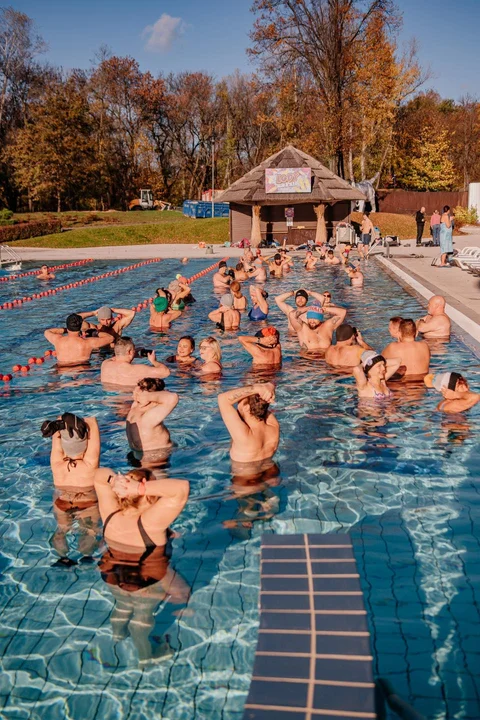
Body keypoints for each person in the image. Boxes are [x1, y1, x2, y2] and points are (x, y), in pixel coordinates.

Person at [94, 467, 190, 664]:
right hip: (144, 581)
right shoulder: (150, 522)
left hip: (111, 574)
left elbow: (97, 476)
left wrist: (114, 481)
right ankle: (146, 656)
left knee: (122, 606)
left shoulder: (110, 514)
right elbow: (182, 488)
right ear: (145, 495)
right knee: (141, 618)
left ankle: (118, 635)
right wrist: (140, 488)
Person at [41, 413, 101, 566]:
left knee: (61, 530)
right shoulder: (89, 464)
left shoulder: (57, 463)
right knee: (90, 531)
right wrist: (84, 423)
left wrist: (60, 424)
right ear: (85, 444)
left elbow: (56, 438)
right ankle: (87, 556)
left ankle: (63, 558)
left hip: (62, 502)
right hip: (87, 503)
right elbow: (93, 422)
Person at [218, 383, 279, 464]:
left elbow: (222, 399)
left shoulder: (244, 435)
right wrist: (270, 386)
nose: (236, 403)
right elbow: (261, 405)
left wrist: (258, 389)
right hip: (272, 472)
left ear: (246, 408)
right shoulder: (273, 425)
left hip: (247, 476)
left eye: (239, 401)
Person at [126, 378, 178, 465]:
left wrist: (147, 397)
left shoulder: (150, 414)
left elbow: (173, 397)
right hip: (136, 455)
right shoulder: (137, 405)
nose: (135, 395)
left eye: (140, 391)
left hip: (156, 458)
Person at [45, 313, 112, 367]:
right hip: (83, 371)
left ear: (67, 326)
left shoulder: (58, 340)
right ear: (80, 327)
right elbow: (110, 338)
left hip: (62, 370)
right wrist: (96, 333)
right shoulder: (88, 342)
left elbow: (47, 332)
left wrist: (65, 330)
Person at [101, 337, 170, 386]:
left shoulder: (105, 364)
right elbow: (166, 372)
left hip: (109, 402)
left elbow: (118, 356)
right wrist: (154, 361)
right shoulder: (134, 369)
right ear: (129, 352)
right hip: (127, 401)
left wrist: (132, 353)